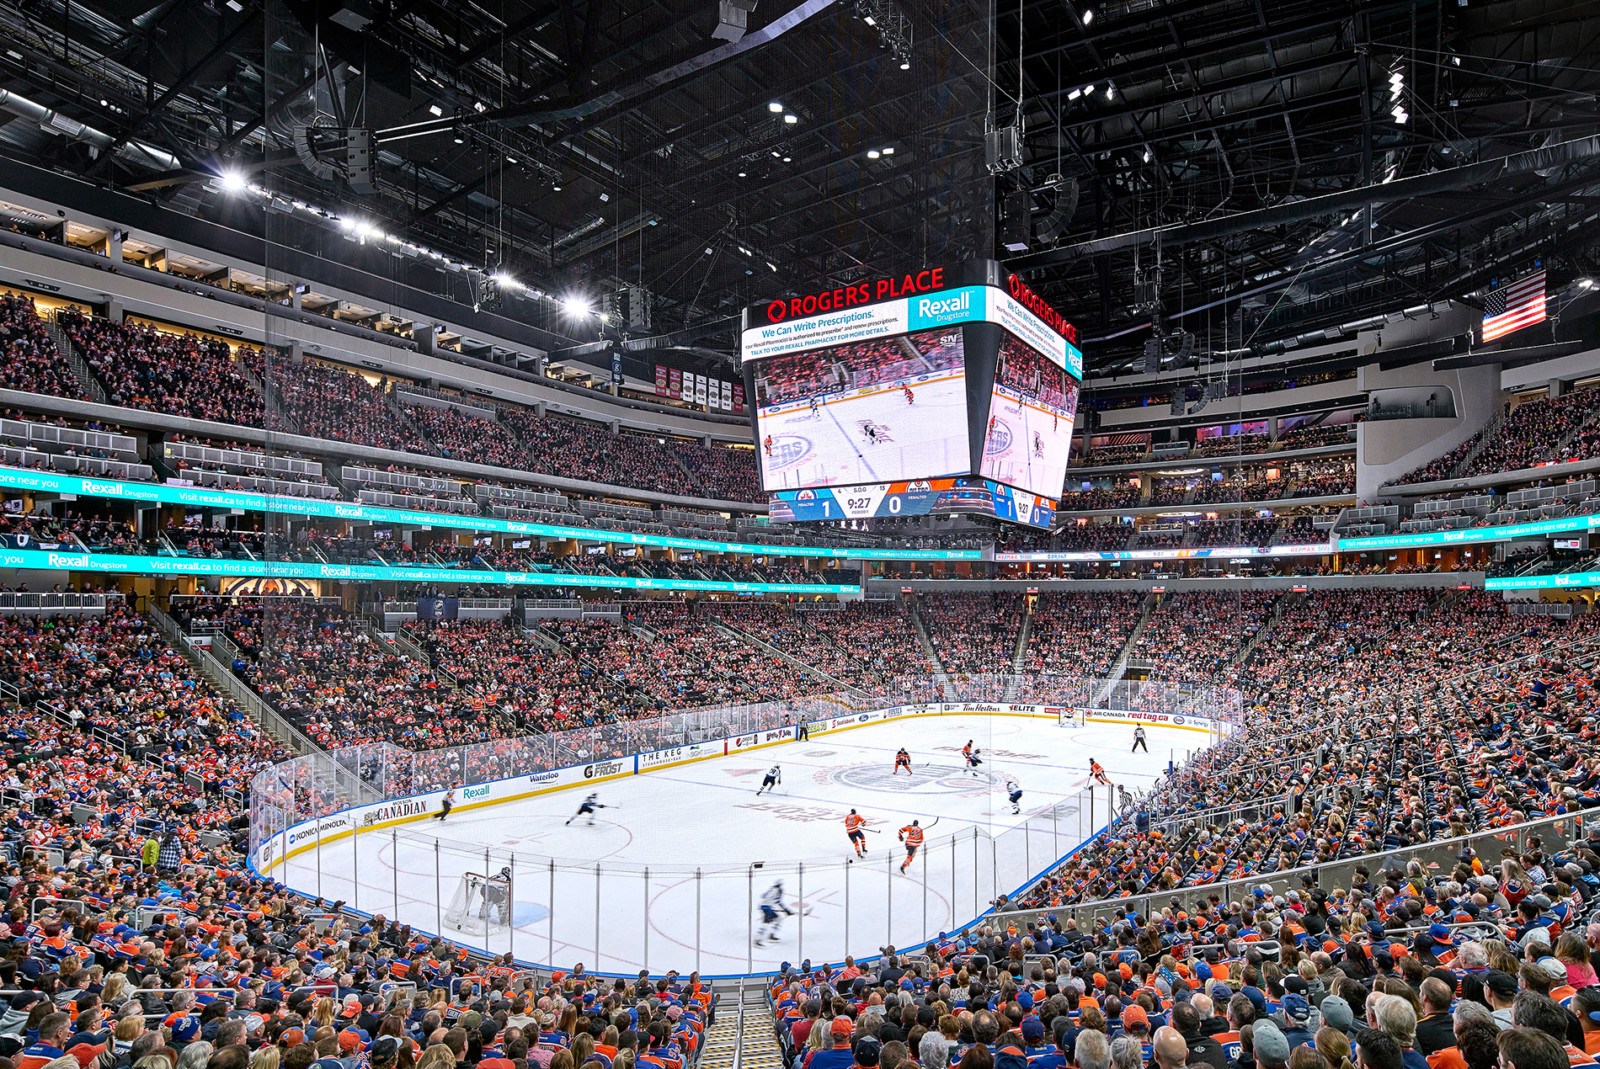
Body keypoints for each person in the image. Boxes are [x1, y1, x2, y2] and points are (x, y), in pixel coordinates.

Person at [753, 881, 794, 947]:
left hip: (766, 907)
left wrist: (786, 910)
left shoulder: (772, 889)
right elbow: (777, 901)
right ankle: (757, 941)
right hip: (766, 908)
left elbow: (764, 896)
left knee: (778, 919)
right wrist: (786, 911)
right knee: (766, 923)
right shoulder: (777, 891)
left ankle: (771, 936)